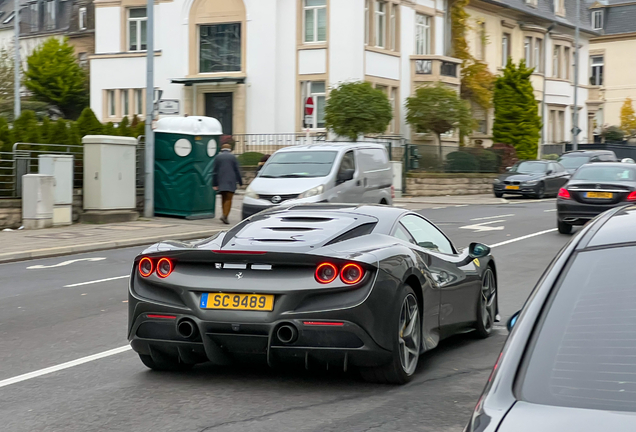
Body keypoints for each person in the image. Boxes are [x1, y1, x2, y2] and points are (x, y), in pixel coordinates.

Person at [212, 144, 243, 224]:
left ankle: (224, 213)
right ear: (230, 149)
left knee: (223, 198)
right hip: (231, 181)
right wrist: (240, 181)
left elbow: (214, 171)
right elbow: (237, 170)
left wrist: (214, 183)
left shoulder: (217, 157)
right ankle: (225, 216)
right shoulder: (233, 157)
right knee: (229, 199)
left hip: (221, 180)